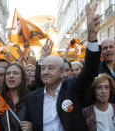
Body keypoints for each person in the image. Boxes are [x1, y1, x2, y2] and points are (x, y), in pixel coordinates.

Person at [25, 3, 101, 131]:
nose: (45, 72)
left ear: (62, 73)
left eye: (50, 68)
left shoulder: (74, 88)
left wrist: (92, 36)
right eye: (43, 68)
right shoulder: (32, 98)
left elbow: (90, 70)